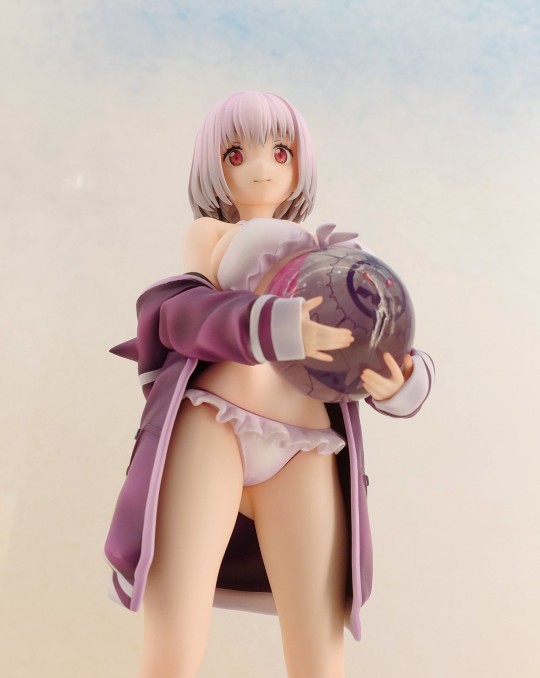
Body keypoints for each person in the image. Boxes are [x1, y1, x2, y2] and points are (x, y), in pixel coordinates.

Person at [104, 91, 434, 678]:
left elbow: (382, 329)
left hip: (306, 445)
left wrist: (401, 380)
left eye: (280, 152)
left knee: (318, 648)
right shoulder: (208, 233)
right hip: (216, 423)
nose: (261, 168)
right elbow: (180, 316)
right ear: (215, 167)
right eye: (237, 154)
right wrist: (277, 326)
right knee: (175, 641)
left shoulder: (334, 248)